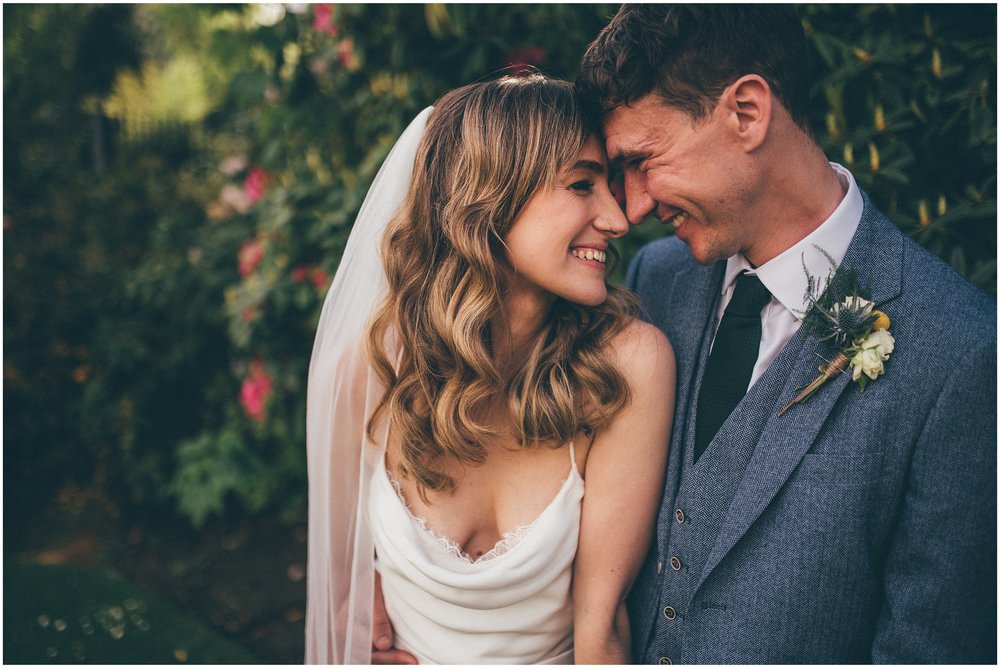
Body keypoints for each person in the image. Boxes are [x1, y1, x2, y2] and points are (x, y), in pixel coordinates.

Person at [567, 4, 997, 664]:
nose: (634, 206)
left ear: (747, 112)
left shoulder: (960, 355)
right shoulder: (655, 281)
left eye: (643, 161)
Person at [306, 74, 675, 664]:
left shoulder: (628, 369)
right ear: (491, 199)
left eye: (609, 185)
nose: (617, 218)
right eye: (582, 184)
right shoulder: (365, 370)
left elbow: (601, 629)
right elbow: (339, 588)